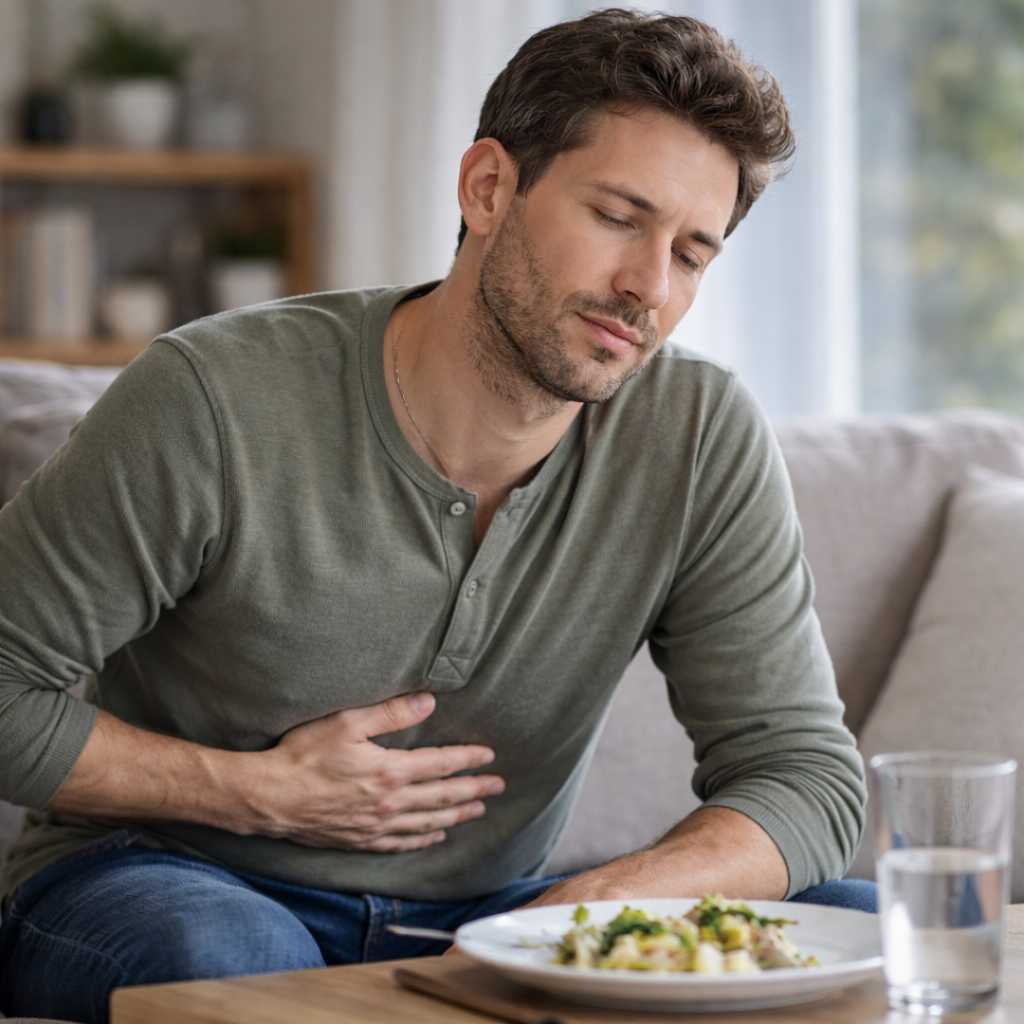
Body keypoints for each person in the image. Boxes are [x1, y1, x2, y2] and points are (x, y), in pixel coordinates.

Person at [0, 10, 870, 1023]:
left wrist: (603, 912)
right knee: (237, 951)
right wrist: (250, 791)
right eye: (619, 217)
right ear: (488, 187)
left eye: (690, 252)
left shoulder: (698, 434)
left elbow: (804, 776)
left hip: (486, 914)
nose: (647, 286)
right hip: (160, 880)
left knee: (858, 922)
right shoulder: (213, 397)